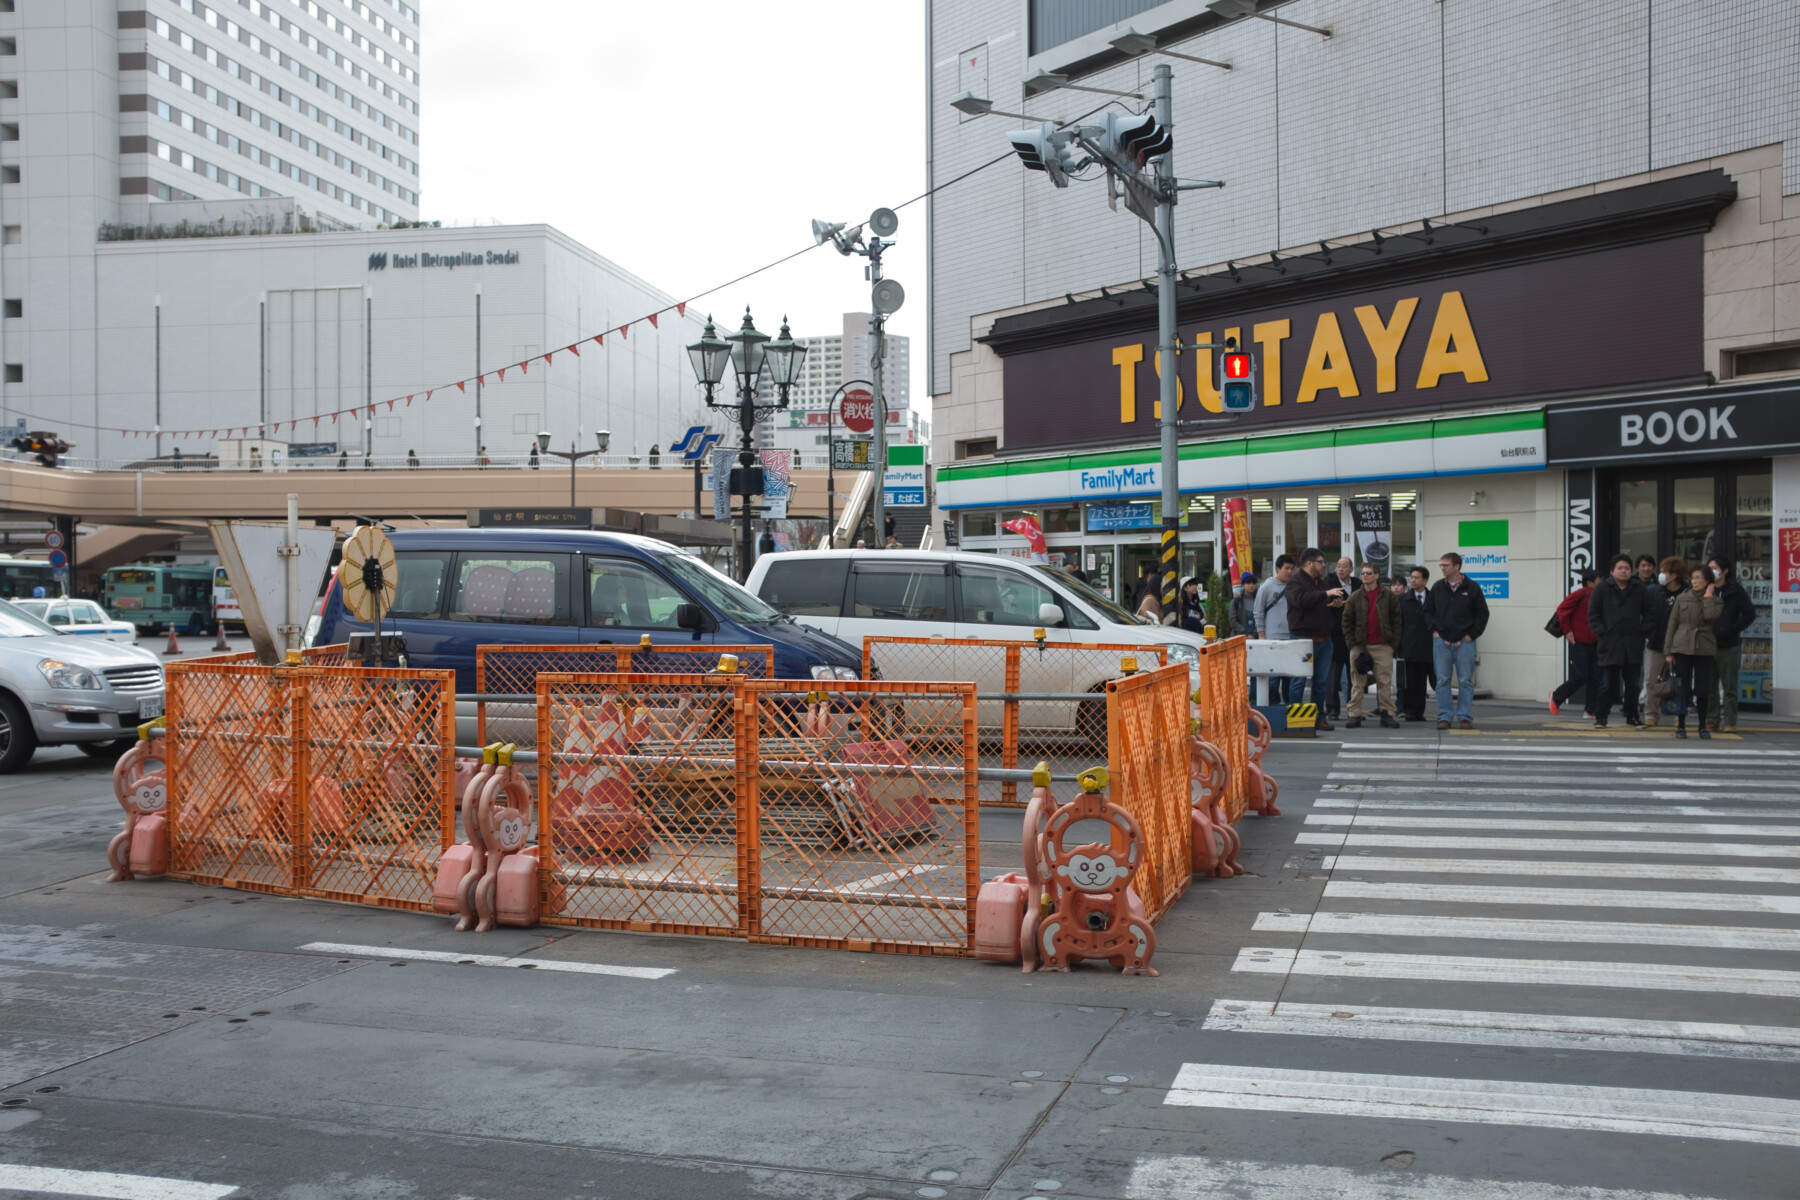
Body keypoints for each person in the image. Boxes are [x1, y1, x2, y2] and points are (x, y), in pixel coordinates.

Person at [1425, 551, 1489, 729]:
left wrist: (1472, 635)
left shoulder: (1472, 588)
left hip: (1465, 642)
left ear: (1457, 566)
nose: (1442, 568)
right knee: (1442, 680)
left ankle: (1464, 717)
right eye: (1441, 565)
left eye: (1446, 565)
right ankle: (1444, 717)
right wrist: (1434, 632)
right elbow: (1427, 611)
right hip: (1441, 641)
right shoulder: (1438, 587)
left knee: (1465, 680)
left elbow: (1482, 614)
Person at [1286, 548, 1348, 731]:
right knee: (1298, 681)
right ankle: (1296, 720)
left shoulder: (1321, 582)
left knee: (1321, 682)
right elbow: (1300, 600)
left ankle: (1319, 717)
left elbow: (1320, 603)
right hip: (1302, 638)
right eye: (1320, 562)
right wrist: (1326, 594)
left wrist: (1334, 605)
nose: (1324, 565)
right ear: (1309, 563)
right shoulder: (1295, 582)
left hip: (1324, 639)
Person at [1587, 552, 1652, 729]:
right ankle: (1601, 717)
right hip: (1610, 643)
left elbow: (1649, 612)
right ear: (1612, 571)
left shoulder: (1639, 588)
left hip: (1633, 644)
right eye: (1620, 568)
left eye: (1627, 568)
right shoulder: (1602, 588)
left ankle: (1632, 717)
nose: (1624, 571)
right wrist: (1601, 632)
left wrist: (1643, 631)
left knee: (1633, 685)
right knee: (1607, 684)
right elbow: (1593, 612)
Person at [1664, 564, 1722, 740]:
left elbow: (1711, 616)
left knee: (1703, 688)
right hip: (1682, 645)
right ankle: (1681, 725)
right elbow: (1672, 624)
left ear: (1708, 581)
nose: (1695, 581)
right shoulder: (1682, 598)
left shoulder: (1716, 600)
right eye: (1693, 577)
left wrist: (1708, 596)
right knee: (1682, 686)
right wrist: (1668, 651)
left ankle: (1702, 726)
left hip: (1704, 646)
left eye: (1699, 578)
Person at [1342, 563, 1401, 728]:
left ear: (1376, 576)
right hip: (1359, 646)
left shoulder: (1388, 596)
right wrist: (1352, 643)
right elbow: (1346, 621)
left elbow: (1397, 620)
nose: (1365, 576)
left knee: (1384, 682)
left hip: (1383, 645)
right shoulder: (1355, 596)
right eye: (1363, 573)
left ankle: (1387, 714)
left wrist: (1392, 644)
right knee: (1357, 682)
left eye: (1368, 573)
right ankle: (1354, 714)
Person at [1705, 554, 1756, 733]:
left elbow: (1750, 613)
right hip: (1707, 643)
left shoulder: (1735, 589)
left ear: (1725, 571)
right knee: (1709, 685)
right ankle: (1711, 718)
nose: (1712, 571)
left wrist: (1733, 628)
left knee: (1729, 686)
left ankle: (1729, 721)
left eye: (1715, 568)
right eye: (1709, 568)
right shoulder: (1704, 589)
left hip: (1728, 645)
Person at [1640, 556, 1687, 726]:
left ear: (1674, 575)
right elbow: (1645, 613)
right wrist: (1648, 631)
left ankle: (1678, 714)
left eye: (1664, 572)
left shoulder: (1687, 592)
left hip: (1680, 645)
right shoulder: (1654, 592)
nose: (1660, 575)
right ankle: (1651, 714)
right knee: (1651, 680)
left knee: (1678, 681)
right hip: (1656, 642)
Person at [1549, 568, 1600, 721]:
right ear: (1590, 583)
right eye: (1599, 580)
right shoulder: (1580, 593)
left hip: (1596, 642)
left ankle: (1590, 711)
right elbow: (1562, 610)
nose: (1602, 582)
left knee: (1595, 677)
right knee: (1581, 676)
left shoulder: (1601, 596)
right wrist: (1567, 630)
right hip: (1579, 643)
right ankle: (1556, 696)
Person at [1255, 556, 1296, 700]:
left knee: (1289, 676)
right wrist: (1261, 635)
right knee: (1273, 677)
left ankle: (1288, 706)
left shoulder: (1294, 586)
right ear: (1277, 569)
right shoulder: (1266, 587)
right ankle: (1272, 706)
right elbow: (1258, 612)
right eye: (1286, 568)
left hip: (1291, 638)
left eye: (1292, 569)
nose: (1290, 572)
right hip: (1272, 638)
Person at [1397, 566, 1433, 720]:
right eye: (1411, 577)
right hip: (1408, 646)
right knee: (1409, 681)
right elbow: (1398, 623)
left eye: (1416, 577)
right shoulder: (1403, 600)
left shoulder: (1433, 598)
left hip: (1427, 646)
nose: (1413, 580)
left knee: (1422, 681)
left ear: (1425, 580)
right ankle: (1409, 711)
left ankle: (1420, 711)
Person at [1326, 556, 1356, 719]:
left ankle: (1353, 709)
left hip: (1353, 635)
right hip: (1335, 635)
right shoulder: (1329, 582)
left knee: (1354, 676)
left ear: (1351, 569)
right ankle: (1332, 709)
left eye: (1344, 566)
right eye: (1338, 565)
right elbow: (1321, 602)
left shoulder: (1358, 584)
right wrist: (1332, 606)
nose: (1341, 569)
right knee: (1333, 676)